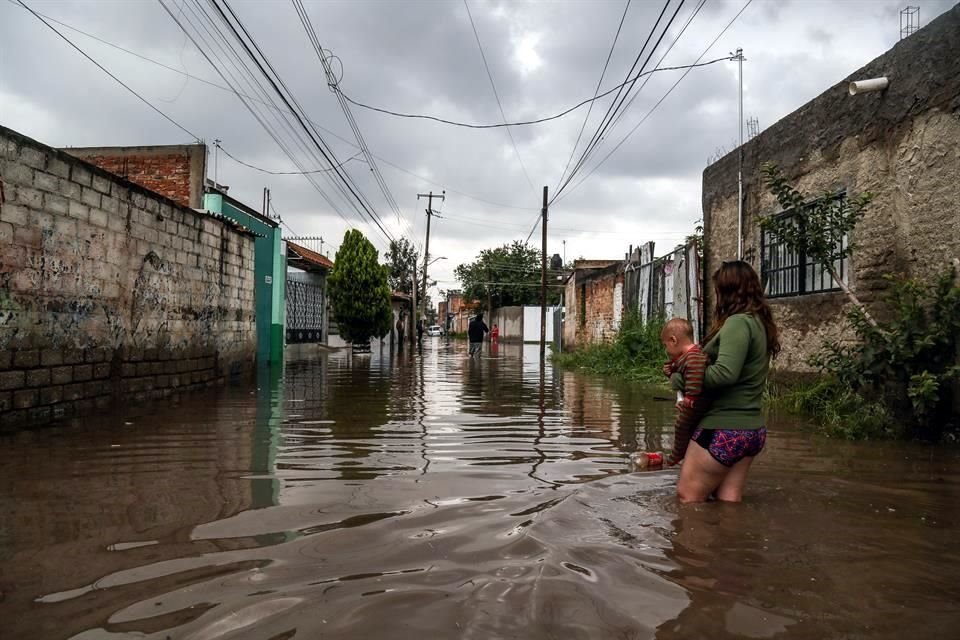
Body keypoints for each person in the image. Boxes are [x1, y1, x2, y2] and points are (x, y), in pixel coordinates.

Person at [674, 260, 780, 503]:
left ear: (727, 291)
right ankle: (731, 540)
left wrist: (684, 377)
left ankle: (690, 543)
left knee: (687, 497)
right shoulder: (758, 323)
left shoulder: (737, 323)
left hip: (723, 428)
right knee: (728, 499)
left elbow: (724, 373)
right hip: (750, 431)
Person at [660, 318, 710, 466]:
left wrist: (690, 397)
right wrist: (670, 369)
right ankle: (688, 452)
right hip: (694, 401)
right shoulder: (686, 356)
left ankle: (677, 454)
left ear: (673, 340)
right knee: (691, 428)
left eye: (665, 345)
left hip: (696, 402)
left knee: (681, 425)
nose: (666, 350)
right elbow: (678, 366)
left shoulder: (693, 357)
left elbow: (694, 375)